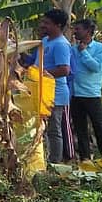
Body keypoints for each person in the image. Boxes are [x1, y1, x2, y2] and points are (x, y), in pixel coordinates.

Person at [23, 9, 72, 163]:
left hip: (55, 94)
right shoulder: (45, 41)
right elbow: (34, 61)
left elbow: (64, 69)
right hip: (40, 92)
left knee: (53, 130)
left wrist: (41, 73)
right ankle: (40, 160)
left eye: (46, 23)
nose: (42, 25)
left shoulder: (61, 44)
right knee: (39, 128)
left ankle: (55, 162)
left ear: (58, 25)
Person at [70, 18, 102, 160]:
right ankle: (85, 159)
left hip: (92, 95)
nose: (75, 32)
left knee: (99, 127)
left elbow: (96, 67)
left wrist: (84, 52)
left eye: (78, 29)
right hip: (76, 95)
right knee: (81, 130)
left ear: (88, 31)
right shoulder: (72, 49)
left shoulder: (100, 48)